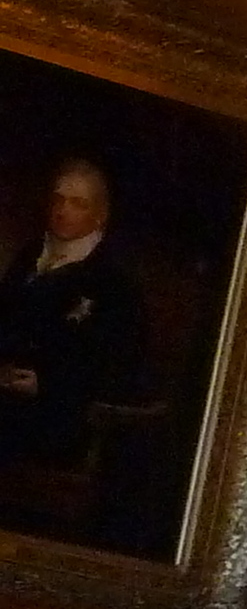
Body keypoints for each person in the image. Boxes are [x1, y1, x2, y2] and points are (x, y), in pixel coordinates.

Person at [0, 156, 148, 480]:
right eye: (58, 199)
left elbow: (115, 365)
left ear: (99, 215)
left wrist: (47, 383)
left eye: (77, 203)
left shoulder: (113, 278)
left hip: (62, 417)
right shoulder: (30, 256)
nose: (62, 210)